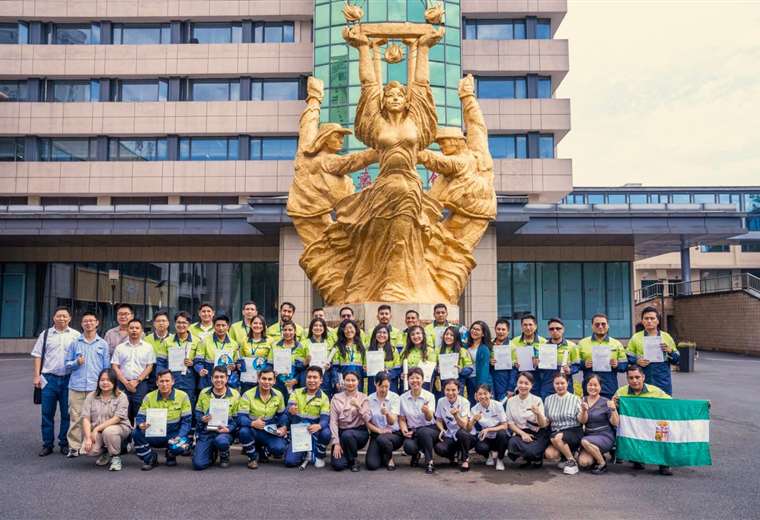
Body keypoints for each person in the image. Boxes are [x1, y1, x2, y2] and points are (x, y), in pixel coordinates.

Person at [286, 75, 377, 248]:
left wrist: (314, 99)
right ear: (325, 139)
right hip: (311, 215)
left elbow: (308, 124)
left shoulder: (305, 149)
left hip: (306, 212)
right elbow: (353, 161)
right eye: (338, 136)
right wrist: (379, 151)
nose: (342, 141)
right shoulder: (326, 161)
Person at [417, 73, 497, 252]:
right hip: (463, 212)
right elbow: (476, 124)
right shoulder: (446, 180)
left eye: (443, 142)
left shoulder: (470, 157)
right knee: (433, 247)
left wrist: (414, 151)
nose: (442, 146)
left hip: (477, 213)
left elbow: (443, 162)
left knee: (454, 256)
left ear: (456, 141)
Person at [31, 306, 81, 456]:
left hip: (68, 379)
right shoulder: (45, 334)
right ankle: (47, 444)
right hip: (49, 379)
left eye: (65, 316)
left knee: (67, 414)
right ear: (53, 317)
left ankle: (64, 443)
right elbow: (37, 355)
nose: (62, 318)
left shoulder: (76, 335)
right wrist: (36, 376)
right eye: (59, 316)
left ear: (70, 318)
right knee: (47, 413)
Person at [64, 312, 110, 458]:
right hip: (76, 386)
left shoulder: (102, 344)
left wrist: (104, 385)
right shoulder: (75, 343)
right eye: (85, 321)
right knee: (75, 417)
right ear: (82, 324)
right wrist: (76, 363)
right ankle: (74, 447)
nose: (88, 323)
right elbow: (67, 365)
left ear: (97, 323)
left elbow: (106, 368)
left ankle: (91, 445)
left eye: (91, 321)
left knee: (95, 418)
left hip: (94, 387)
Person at [613, 365, 673, 476]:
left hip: (652, 426)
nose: (634, 381)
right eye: (631, 378)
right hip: (634, 427)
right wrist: (614, 404)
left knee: (663, 427)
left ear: (643, 377)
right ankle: (637, 458)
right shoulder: (621, 392)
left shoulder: (655, 391)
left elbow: (672, 404)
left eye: (637, 377)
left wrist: (701, 406)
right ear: (627, 379)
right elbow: (611, 409)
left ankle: (664, 463)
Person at [133, 369, 192, 470]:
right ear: (157, 383)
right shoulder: (149, 397)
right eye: (161, 381)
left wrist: (180, 436)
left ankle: (171, 453)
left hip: (174, 434)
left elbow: (187, 421)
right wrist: (141, 424)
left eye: (167, 381)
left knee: (181, 447)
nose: (164, 384)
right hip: (154, 433)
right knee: (136, 433)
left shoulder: (183, 396)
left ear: (173, 382)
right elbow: (140, 416)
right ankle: (150, 458)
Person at [79, 368, 131, 471]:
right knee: (89, 450)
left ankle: (116, 457)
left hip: (119, 428)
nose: (105, 383)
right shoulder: (91, 396)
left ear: (114, 382)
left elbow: (117, 418)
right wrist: (88, 438)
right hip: (98, 430)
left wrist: (96, 429)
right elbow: (85, 418)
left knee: (109, 432)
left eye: (108, 380)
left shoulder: (121, 396)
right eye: (102, 380)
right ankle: (106, 452)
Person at [237, 368, 287, 469]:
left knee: (279, 449)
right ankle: (252, 457)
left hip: (269, 429)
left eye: (269, 379)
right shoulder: (247, 395)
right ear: (258, 379)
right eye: (263, 379)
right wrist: (252, 423)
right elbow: (240, 418)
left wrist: (284, 427)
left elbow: (282, 415)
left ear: (274, 381)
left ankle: (262, 449)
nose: (266, 382)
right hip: (253, 429)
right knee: (243, 432)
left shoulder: (278, 395)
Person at [193, 367, 240, 470]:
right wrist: (202, 418)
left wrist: (229, 429)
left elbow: (237, 418)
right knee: (198, 465)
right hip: (207, 431)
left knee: (221, 441)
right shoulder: (204, 392)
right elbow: (197, 412)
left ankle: (224, 454)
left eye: (222, 377)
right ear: (211, 379)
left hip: (224, 432)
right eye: (216, 377)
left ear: (227, 379)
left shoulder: (235, 394)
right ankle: (212, 452)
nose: (219, 380)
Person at [284, 366, 331, 469]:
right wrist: (291, 408)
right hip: (300, 434)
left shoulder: (324, 398)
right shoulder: (296, 392)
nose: (312, 380)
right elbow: (290, 406)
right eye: (309, 377)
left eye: (315, 377)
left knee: (326, 432)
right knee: (290, 462)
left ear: (321, 380)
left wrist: (318, 425)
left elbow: (325, 419)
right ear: (305, 379)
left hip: (314, 432)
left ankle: (319, 455)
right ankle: (304, 452)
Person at [626, 306, 680, 395]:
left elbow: (677, 359)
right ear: (642, 321)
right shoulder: (635, 338)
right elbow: (628, 357)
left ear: (658, 321)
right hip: (642, 380)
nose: (649, 321)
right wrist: (637, 361)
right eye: (646, 318)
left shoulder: (666, 337)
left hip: (662, 381)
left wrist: (670, 351)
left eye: (652, 318)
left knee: (663, 406)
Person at [111, 318, 156, 423]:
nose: (134, 330)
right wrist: (126, 383)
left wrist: (137, 381)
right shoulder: (120, 347)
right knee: (122, 411)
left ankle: (136, 437)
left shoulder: (148, 347)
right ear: (127, 330)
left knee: (139, 410)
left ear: (141, 331)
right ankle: (124, 437)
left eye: (137, 328)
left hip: (141, 384)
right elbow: (115, 366)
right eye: (131, 328)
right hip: (122, 384)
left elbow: (149, 366)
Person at [578, 313, 628, 399]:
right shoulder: (582, 343)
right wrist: (583, 364)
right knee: (589, 412)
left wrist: (617, 365)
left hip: (609, 388)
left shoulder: (617, 344)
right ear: (592, 326)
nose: (600, 326)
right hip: (590, 388)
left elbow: (624, 365)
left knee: (610, 411)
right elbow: (575, 364)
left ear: (608, 326)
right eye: (597, 324)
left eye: (603, 324)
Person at [329, 371, 371, 472]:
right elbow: (333, 422)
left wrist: (358, 406)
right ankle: (347, 455)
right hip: (342, 433)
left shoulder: (363, 397)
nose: (350, 383)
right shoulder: (336, 398)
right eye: (347, 380)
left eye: (353, 380)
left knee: (348, 435)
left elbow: (367, 418)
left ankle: (353, 460)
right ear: (343, 381)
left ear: (358, 382)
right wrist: (336, 443)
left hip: (359, 433)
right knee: (338, 466)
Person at [505, 372, 549, 468]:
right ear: (517, 383)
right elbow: (510, 423)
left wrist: (538, 413)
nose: (523, 386)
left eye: (526, 383)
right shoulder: (510, 401)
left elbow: (543, 425)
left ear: (531, 385)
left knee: (532, 451)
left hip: (537, 432)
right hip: (521, 432)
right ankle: (528, 457)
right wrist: (523, 434)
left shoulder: (537, 400)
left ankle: (535, 457)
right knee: (512, 443)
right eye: (520, 382)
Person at [577, 374, 619, 475]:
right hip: (589, 434)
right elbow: (582, 421)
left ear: (600, 387)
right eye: (590, 385)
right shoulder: (582, 400)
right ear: (586, 386)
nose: (592, 387)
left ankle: (602, 463)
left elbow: (615, 422)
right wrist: (583, 410)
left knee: (585, 441)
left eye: (595, 385)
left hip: (604, 435)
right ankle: (598, 455)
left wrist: (613, 409)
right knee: (583, 463)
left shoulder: (606, 402)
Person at [399, 367, 438, 474]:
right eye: (412, 378)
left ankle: (429, 461)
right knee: (408, 447)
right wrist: (404, 430)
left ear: (423, 380)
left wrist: (426, 411)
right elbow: (402, 419)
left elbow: (430, 418)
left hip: (430, 429)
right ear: (408, 380)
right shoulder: (403, 398)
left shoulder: (429, 396)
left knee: (423, 432)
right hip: (413, 431)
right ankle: (418, 453)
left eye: (418, 378)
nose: (415, 381)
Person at [543, 372, 583, 475]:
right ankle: (564, 457)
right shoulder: (548, 400)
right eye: (557, 383)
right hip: (556, 431)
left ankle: (572, 461)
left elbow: (581, 420)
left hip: (573, 430)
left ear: (567, 383)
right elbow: (547, 420)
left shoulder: (575, 399)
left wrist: (584, 411)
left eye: (562, 383)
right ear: (553, 384)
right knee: (550, 454)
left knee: (557, 438)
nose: (560, 386)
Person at [434, 378, 476, 471]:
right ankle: (453, 455)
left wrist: (456, 415)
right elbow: (438, 419)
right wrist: (441, 429)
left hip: (466, 435)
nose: (450, 393)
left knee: (461, 433)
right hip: (450, 434)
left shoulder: (464, 402)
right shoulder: (441, 401)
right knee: (439, 448)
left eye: (453, 390)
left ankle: (465, 460)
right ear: (444, 390)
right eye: (447, 390)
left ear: (458, 390)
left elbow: (464, 425)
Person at [366, 371, 403, 471]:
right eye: (381, 386)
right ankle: (383, 453)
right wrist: (379, 431)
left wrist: (387, 413)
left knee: (383, 439)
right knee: (371, 465)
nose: (384, 389)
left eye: (386, 386)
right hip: (377, 434)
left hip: (393, 435)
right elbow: (367, 422)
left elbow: (392, 421)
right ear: (375, 384)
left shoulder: (395, 397)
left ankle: (389, 458)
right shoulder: (369, 399)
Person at [535, 318, 580, 400]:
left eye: (558, 328)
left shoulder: (572, 346)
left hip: (565, 385)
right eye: (551, 329)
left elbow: (577, 366)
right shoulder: (542, 347)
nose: (555, 331)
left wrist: (570, 370)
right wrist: (537, 364)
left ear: (563, 329)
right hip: (547, 385)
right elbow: (540, 369)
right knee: (547, 410)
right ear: (548, 331)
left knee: (566, 410)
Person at [468, 384, 509, 471]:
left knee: (503, 434)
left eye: (485, 393)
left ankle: (500, 459)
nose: (483, 396)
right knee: (480, 447)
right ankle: (488, 456)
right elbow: (468, 429)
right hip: (486, 437)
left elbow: (505, 425)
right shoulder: (474, 409)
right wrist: (473, 420)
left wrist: (489, 429)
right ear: (476, 395)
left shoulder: (498, 405)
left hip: (497, 435)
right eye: (480, 394)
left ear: (490, 394)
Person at [194, 314, 240, 390]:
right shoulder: (204, 342)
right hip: (208, 379)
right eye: (218, 325)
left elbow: (236, 363)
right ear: (213, 326)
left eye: (223, 325)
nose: (220, 328)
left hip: (226, 381)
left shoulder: (234, 344)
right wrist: (200, 369)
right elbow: (197, 361)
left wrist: (234, 367)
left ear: (228, 327)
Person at [269, 321, 307, 401]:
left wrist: (296, 380)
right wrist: (273, 374)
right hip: (278, 382)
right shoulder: (275, 345)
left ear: (295, 331)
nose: (287, 332)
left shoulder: (301, 347)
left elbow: (303, 369)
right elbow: (269, 364)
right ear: (282, 331)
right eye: (285, 330)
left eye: (290, 330)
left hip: (294, 384)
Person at [509, 314, 546, 397]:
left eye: (530, 325)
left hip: (537, 378)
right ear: (521, 327)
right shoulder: (514, 341)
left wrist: (540, 363)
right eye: (525, 325)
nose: (528, 327)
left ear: (535, 326)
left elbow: (547, 363)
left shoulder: (544, 342)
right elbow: (511, 360)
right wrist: (514, 363)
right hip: (520, 378)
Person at [435, 326, 473, 399]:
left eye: (452, 335)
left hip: (458, 383)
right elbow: (434, 367)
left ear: (456, 337)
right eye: (446, 334)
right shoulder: (438, 350)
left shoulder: (462, 351)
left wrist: (461, 370)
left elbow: (470, 368)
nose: (448, 336)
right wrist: (437, 369)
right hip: (443, 384)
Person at [239, 315, 272, 394]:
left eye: (260, 324)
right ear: (251, 325)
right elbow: (241, 358)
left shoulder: (270, 340)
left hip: (264, 378)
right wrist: (239, 365)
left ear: (264, 326)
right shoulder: (244, 340)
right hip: (247, 378)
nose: (257, 325)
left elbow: (271, 361)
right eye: (255, 323)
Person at [332, 319, 366, 393]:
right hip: (343, 383)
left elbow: (365, 369)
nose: (349, 330)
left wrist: (366, 370)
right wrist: (336, 381)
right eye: (346, 328)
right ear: (342, 331)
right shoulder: (337, 347)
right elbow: (335, 368)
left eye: (351, 328)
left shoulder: (361, 347)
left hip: (358, 383)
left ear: (356, 330)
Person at [366, 324, 401, 394]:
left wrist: (388, 373)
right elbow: (363, 371)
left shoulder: (394, 350)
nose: (381, 335)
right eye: (379, 332)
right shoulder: (368, 351)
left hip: (390, 385)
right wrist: (366, 370)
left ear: (388, 336)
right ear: (374, 335)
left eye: (384, 333)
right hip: (374, 385)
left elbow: (398, 370)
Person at [400, 325, 437, 392]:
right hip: (407, 384)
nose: (416, 336)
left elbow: (432, 371)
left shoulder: (429, 350)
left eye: (418, 333)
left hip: (424, 385)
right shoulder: (405, 351)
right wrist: (402, 374)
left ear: (423, 335)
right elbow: (401, 367)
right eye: (412, 334)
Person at [303, 317, 334, 396]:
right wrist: (305, 362)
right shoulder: (304, 343)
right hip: (309, 377)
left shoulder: (329, 343)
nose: (318, 328)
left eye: (321, 326)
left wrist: (329, 366)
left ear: (324, 328)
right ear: (311, 328)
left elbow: (333, 362)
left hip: (325, 377)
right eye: (315, 325)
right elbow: (298, 364)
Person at [465, 321, 492, 405]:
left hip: (479, 380)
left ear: (483, 334)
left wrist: (480, 389)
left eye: (478, 330)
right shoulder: (466, 346)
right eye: (473, 328)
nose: (474, 331)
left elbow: (484, 370)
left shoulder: (484, 349)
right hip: (468, 380)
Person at [144, 310, 172, 391]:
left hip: (167, 373)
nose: (161, 323)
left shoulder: (173, 339)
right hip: (151, 374)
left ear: (168, 323)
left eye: (164, 321)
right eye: (158, 321)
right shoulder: (146, 339)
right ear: (154, 323)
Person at [490, 318, 515, 402]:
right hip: (491, 380)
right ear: (495, 330)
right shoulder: (489, 344)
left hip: (505, 381)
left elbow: (514, 369)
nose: (500, 332)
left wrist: (511, 387)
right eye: (498, 329)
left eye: (503, 329)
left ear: (508, 331)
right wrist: (489, 362)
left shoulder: (512, 346)